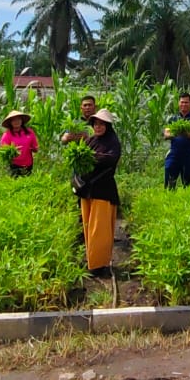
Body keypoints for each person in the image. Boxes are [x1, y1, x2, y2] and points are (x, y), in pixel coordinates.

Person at [78, 109, 121, 278]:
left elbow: (110, 159)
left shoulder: (112, 142)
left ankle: (99, 264)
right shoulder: (91, 140)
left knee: (100, 229)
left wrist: (92, 157)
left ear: (108, 126)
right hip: (88, 190)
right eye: (96, 124)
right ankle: (92, 259)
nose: (98, 127)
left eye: (101, 124)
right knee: (89, 226)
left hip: (103, 190)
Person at [162, 93, 190, 189]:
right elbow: (166, 134)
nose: (184, 104)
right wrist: (175, 134)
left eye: (186, 102)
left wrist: (188, 134)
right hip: (174, 154)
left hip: (188, 155)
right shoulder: (173, 119)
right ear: (178, 103)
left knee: (188, 183)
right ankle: (168, 198)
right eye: (182, 102)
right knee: (169, 178)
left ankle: (186, 200)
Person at [0, 110, 39, 177]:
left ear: (22, 121)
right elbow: (4, 150)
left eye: (18, 119)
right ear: (10, 123)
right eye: (14, 120)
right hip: (14, 165)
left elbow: (35, 147)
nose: (16, 122)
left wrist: (34, 149)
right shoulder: (7, 135)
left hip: (28, 163)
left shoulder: (29, 132)